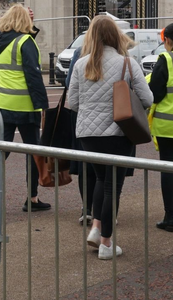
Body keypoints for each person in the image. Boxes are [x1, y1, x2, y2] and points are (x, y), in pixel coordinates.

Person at [68, 15, 152, 259]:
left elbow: (73, 102)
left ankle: (96, 229)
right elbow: (147, 99)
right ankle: (106, 243)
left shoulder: (81, 64)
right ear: (116, 36)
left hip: (87, 133)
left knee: (99, 178)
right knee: (112, 187)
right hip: (118, 132)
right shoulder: (127, 63)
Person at [0, 4, 51, 215]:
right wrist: (43, 105)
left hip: (1, 102)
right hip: (23, 105)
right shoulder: (25, 41)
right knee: (33, 151)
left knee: (1, 151)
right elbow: (33, 76)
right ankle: (32, 197)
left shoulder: (0, 40)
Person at [148, 23, 173, 232]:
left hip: (169, 125)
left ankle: (169, 218)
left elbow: (154, 93)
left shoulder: (167, 59)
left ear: (167, 41)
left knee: (169, 170)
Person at [65, 45, 96, 225]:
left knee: (86, 167)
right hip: (114, 120)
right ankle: (109, 212)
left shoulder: (80, 52)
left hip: (84, 118)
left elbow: (71, 86)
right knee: (109, 168)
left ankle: (87, 209)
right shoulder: (122, 54)